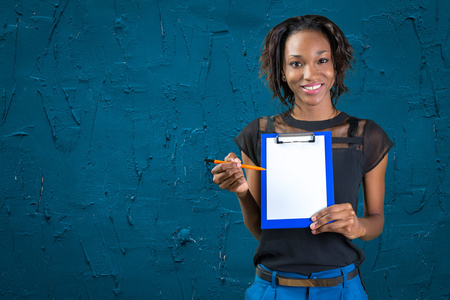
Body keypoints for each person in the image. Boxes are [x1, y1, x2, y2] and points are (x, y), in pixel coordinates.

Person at [210, 15, 394, 299]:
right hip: (273, 289)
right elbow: (262, 230)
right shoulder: (259, 134)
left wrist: (357, 226)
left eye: (322, 60)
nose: (311, 74)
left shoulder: (366, 136)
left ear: (335, 65)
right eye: (296, 63)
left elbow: (376, 220)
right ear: (282, 71)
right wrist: (242, 191)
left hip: (343, 289)